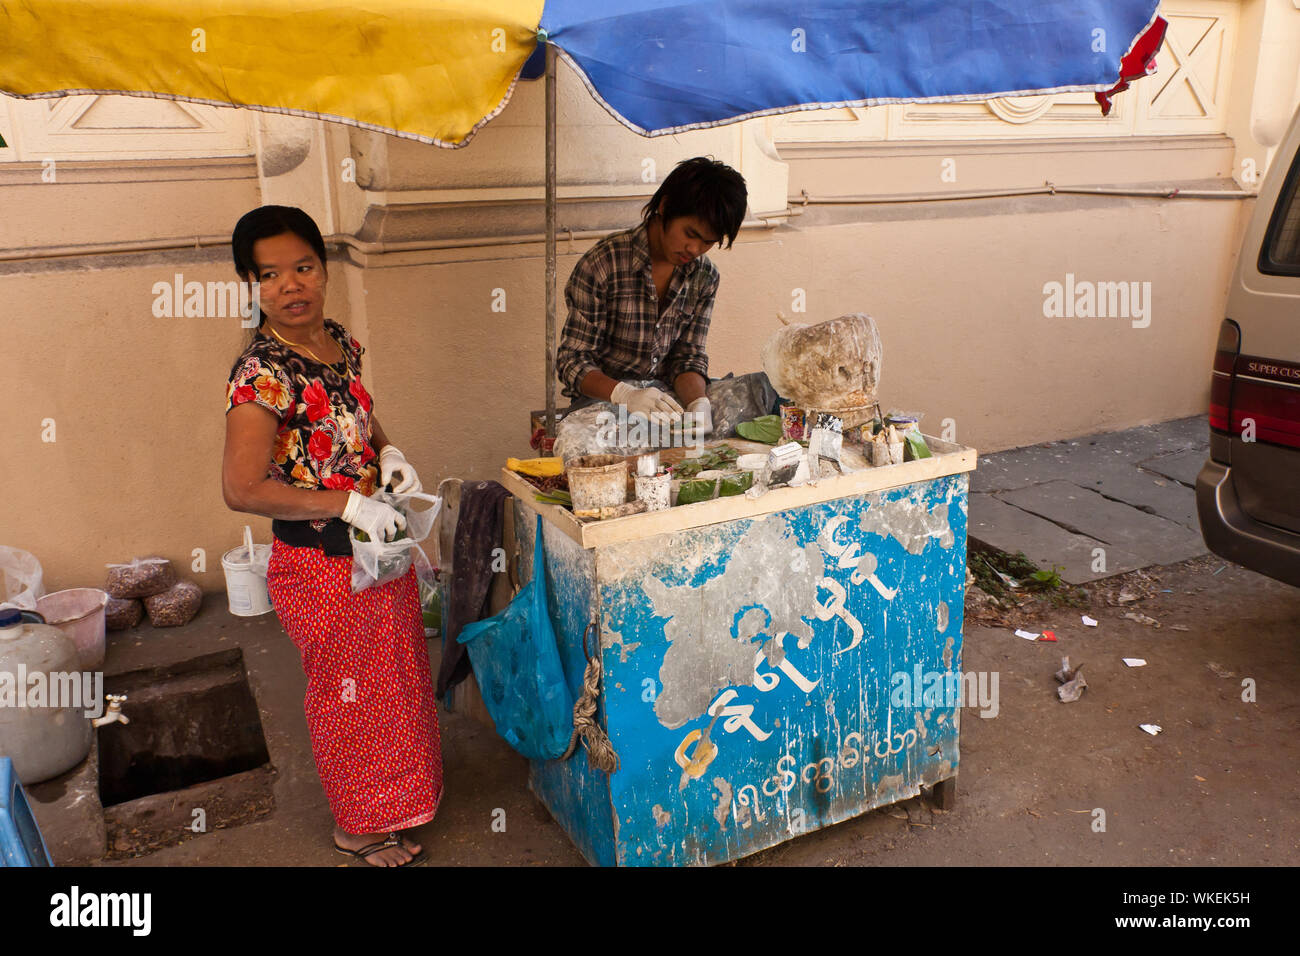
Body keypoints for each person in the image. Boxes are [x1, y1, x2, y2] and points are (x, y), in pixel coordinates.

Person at [221, 205, 442, 868]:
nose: (291, 285)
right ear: (250, 287)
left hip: (378, 547)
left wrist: (389, 450)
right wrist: (347, 503)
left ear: (323, 268)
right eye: (269, 275)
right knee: (349, 694)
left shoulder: (337, 341)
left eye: (303, 266)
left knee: (394, 681)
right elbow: (242, 488)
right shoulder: (260, 374)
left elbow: (354, 414)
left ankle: (400, 805)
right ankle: (358, 826)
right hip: (321, 564)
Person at [556, 156, 748, 437]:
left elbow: (687, 357)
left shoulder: (704, 276)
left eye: (708, 242)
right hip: (602, 408)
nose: (694, 248)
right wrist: (625, 395)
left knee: (740, 404)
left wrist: (698, 403)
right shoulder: (602, 264)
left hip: (666, 407)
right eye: (690, 233)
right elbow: (572, 361)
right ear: (665, 206)